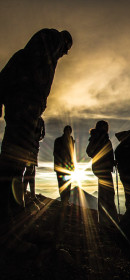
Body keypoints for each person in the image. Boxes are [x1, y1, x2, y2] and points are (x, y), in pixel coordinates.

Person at [0, 28, 72, 224]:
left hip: (23, 113)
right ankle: (7, 217)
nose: (63, 54)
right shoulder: (43, 60)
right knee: (14, 161)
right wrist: (32, 108)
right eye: (65, 49)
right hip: (25, 112)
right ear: (61, 44)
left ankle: (12, 207)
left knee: (15, 158)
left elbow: (3, 81)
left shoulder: (23, 58)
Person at [86, 120, 119, 228]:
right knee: (108, 193)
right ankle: (110, 220)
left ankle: (105, 219)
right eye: (105, 126)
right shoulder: (100, 138)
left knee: (105, 193)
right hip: (103, 168)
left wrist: (110, 162)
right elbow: (90, 151)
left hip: (101, 168)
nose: (106, 128)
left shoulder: (100, 137)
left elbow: (91, 152)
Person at [23, 117, 45, 209]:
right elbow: (41, 135)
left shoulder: (39, 120)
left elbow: (42, 135)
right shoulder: (37, 120)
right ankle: (24, 193)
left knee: (32, 171)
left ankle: (31, 194)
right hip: (30, 148)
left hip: (34, 148)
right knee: (30, 170)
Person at [53, 125, 75, 207]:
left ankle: (66, 200)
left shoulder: (71, 141)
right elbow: (55, 153)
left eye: (69, 131)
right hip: (61, 166)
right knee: (62, 184)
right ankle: (64, 201)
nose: (68, 133)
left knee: (68, 184)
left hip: (68, 167)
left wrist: (73, 165)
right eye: (67, 131)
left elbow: (72, 154)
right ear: (64, 131)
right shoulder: (58, 140)